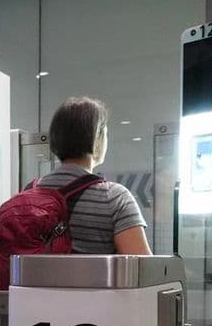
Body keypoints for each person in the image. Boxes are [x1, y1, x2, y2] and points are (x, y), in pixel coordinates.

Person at [38, 96, 152, 255]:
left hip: (35, 281)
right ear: (97, 140)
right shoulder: (114, 197)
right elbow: (142, 271)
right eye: (105, 134)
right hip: (93, 281)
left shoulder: (30, 190)